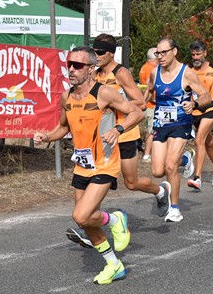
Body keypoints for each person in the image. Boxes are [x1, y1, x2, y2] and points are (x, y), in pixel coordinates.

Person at [34, 46, 144, 284]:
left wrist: (118, 129)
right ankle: (114, 265)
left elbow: (137, 112)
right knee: (83, 219)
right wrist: (47, 137)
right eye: (69, 65)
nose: (71, 69)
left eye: (78, 65)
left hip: (104, 164)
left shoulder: (104, 93)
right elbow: (64, 127)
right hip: (82, 165)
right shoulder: (67, 96)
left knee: (81, 214)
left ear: (91, 69)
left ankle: (115, 220)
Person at [66, 38, 171, 248]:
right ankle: (88, 224)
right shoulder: (91, 74)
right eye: (94, 52)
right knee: (96, 180)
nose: (97, 55)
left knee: (131, 183)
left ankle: (161, 192)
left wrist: (113, 103)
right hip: (102, 139)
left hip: (124, 134)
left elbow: (140, 103)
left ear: (111, 54)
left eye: (100, 52)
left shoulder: (120, 73)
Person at [143, 37, 211, 222]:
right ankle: (186, 159)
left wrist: (194, 103)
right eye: (158, 53)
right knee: (157, 171)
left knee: (170, 166)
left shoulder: (186, 73)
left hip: (181, 123)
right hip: (160, 124)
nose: (160, 56)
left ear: (174, 51)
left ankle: (175, 209)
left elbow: (206, 97)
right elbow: (149, 90)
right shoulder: (154, 72)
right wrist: (141, 105)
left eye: (164, 52)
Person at [186, 40, 213, 190]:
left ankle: (197, 177)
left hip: (212, 106)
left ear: (205, 53)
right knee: (208, 142)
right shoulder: (188, 70)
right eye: (193, 55)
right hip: (195, 109)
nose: (196, 58)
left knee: (199, 139)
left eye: (198, 54)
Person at [138, 47, 158, 163]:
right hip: (151, 105)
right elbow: (149, 88)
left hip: (146, 104)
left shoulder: (144, 67)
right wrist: (156, 100)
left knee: (150, 130)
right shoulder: (151, 70)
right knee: (151, 130)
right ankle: (146, 155)